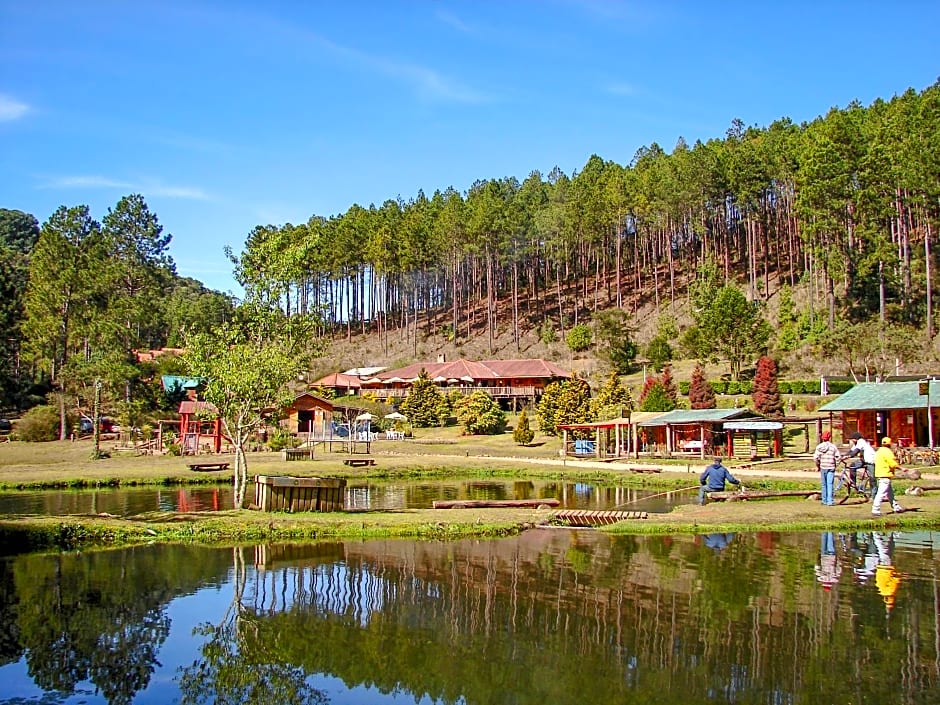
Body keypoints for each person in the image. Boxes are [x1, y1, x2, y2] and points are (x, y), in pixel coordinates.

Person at [872, 437, 905, 516]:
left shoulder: (879, 451)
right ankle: (875, 509)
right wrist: (901, 468)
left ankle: (896, 507)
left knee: (890, 493)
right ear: (889, 444)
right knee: (881, 493)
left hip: (880, 473)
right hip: (885, 474)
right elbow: (892, 463)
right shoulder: (888, 452)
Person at [813, 430, 841, 506]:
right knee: (830, 484)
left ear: (822, 438)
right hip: (831, 467)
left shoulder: (819, 447)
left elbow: (815, 458)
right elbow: (838, 457)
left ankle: (824, 500)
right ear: (829, 437)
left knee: (823, 484)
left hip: (823, 466)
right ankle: (830, 501)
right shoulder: (833, 447)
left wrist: (817, 465)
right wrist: (836, 464)